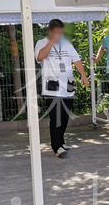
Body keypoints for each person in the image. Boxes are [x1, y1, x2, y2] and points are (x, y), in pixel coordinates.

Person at [35, 19, 89, 158]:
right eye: (57, 33)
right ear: (50, 32)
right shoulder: (41, 43)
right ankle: (56, 146)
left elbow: (76, 59)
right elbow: (40, 57)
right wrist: (51, 42)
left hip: (67, 85)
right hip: (52, 87)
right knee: (56, 117)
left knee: (64, 116)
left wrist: (83, 75)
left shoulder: (67, 44)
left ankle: (61, 141)